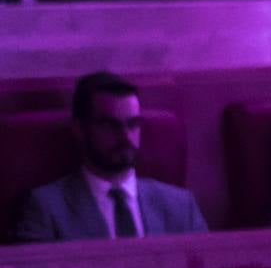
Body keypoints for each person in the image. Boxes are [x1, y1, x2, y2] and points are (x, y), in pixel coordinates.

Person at [14, 72, 209, 242]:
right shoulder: (46, 208)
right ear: (79, 129)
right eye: (109, 125)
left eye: (133, 124)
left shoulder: (181, 206)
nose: (125, 137)